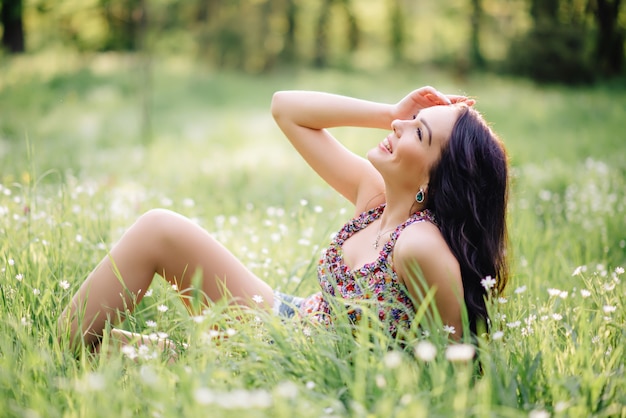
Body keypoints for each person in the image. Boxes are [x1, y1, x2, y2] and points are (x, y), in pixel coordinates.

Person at [58, 86, 509, 352]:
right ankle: (64, 349)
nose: (398, 127)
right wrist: (387, 111)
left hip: (302, 364)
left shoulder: (419, 244)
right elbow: (286, 109)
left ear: (437, 180)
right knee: (158, 230)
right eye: (410, 118)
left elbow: (458, 362)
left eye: (418, 131)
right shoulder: (375, 199)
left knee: (133, 354)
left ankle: (66, 353)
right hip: (288, 318)